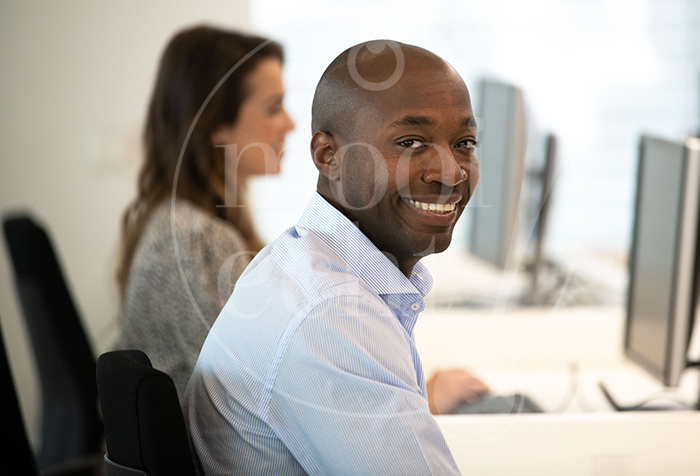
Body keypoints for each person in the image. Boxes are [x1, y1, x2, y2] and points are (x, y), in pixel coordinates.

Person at [183, 40, 487, 475]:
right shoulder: (331, 310)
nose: (451, 171)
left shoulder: (310, 267)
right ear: (329, 156)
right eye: (410, 141)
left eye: (464, 143)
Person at [115, 25, 295, 398]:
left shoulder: (179, 221)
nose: (290, 124)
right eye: (273, 107)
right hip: (205, 456)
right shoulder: (195, 238)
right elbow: (254, 393)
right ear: (216, 124)